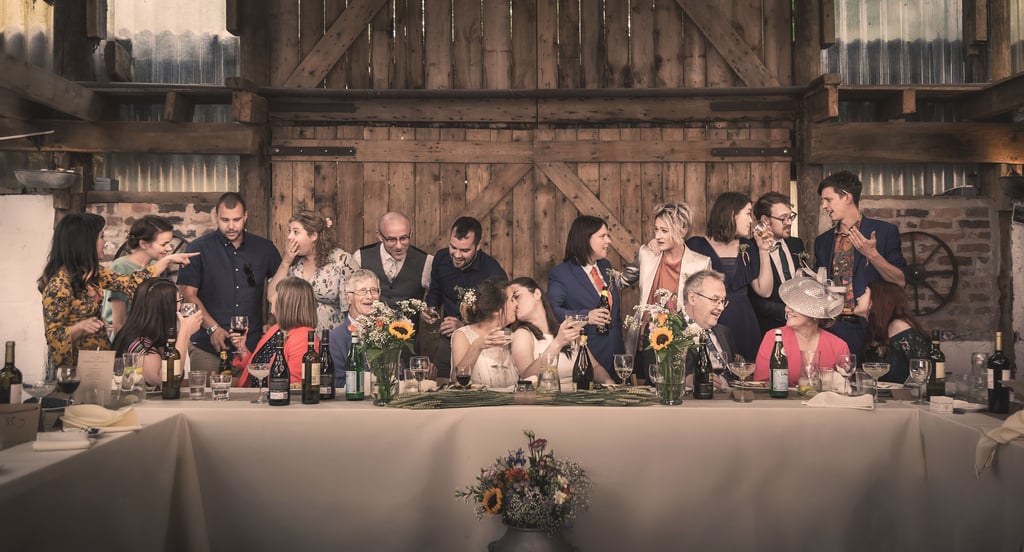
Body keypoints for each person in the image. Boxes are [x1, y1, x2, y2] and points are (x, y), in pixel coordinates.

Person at [38, 213, 197, 369]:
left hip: (100, 360)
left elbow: (130, 282)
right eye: (101, 236)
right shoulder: (59, 285)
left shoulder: (94, 273)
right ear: (85, 242)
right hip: (76, 367)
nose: (105, 242)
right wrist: (79, 327)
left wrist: (167, 260)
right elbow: (54, 338)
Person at [177, 192, 282, 373]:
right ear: (215, 216)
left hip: (252, 345)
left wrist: (272, 321)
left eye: (237, 220)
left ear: (246, 216)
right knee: (205, 399)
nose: (231, 226)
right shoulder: (197, 249)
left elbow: (283, 290)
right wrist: (213, 329)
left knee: (251, 398)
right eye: (225, 220)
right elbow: (188, 295)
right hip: (207, 347)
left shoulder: (264, 249)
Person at [814, 170, 907, 357]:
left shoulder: (884, 232)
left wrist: (872, 255)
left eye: (828, 199)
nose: (824, 206)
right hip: (832, 328)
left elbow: (900, 281)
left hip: (871, 329)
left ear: (847, 197)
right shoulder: (822, 241)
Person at [621, 202, 711, 380]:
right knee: (654, 393)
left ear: (683, 229)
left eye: (664, 231)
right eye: (656, 230)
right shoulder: (647, 254)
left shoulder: (701, 263)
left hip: (684, 340)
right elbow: (623, 280)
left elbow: (704, 307)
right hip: (649, 338)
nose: (658, 236)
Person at [686, 192, 774, 361]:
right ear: (732, 213)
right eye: (748, 214)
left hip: (745, 323)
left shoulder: (748, 246)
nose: (751, 221)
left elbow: (765, 290)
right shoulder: (695, 245)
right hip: (710, 322)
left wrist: (763, 251)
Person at [425, 216, 507, 377]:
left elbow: (501, 317)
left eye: (464, 250)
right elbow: (435, 291)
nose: (456, 255)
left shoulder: (493, 272)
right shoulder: (441, 258)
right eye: (453, 247)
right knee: (444, 385)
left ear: (478, 246)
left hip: (482, 345)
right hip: (446, 341)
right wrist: (430, 308)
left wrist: (463, 325)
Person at [547, 215, 624, 380]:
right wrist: (586, 317)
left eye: (608, 235)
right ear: (585, 239)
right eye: (602, 236)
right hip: (589, 356)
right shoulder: (561, 274)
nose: (608, 241)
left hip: (616, 355)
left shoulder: (605, 266)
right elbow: (553, 312)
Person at [752, 269, 850, 386]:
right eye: (788, 304)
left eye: (796, 305)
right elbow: (761, 385)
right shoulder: (773, 338)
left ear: (814, 314)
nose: (787, 309)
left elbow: (844, 389)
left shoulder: (838, 347)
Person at [268, 210, 352, 331]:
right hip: (297, 337)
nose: (289, 237)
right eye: (289, 231)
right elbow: (272, 296)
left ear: (313, 236)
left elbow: (352, 306)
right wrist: (286, 262)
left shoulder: (341, 261)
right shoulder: (294, 264)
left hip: (330, 339)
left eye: (296, 232)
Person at [112, 278, 203, 386]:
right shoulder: (139, 344)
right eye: (179, 301)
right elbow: (165, 380)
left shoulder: (156, 337)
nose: (180, 306)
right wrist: (185, 332)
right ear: (165, 307)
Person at [230, 277, 318, 387]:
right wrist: (242, 348)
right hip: (255, 397)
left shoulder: (303, 337)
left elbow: (293, 385)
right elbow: (259, 367)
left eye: (276, 293)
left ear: (287, 302)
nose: (271, 298)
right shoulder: (276, 329)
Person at [102, 215, 175, 338]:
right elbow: (119, 321)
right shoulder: (120, 266)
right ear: (143, 244)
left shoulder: (155, 265)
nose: (169, 248)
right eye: (164, 244)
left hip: (150, 337)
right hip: (127, 338)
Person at [508, 277, 583, 388]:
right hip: (546, 400)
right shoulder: (523, 334)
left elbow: (595, 367)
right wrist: (557, 343)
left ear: (537, 294)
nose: (515, 304)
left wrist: (609, 383)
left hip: (580, 398)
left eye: (517, 296)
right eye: (511, 300)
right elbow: (527, 376)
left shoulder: (565, 329)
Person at [350, 211, 433, 308]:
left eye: (404, 238)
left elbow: (437, 295)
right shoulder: (360, 257)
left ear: (411, 233)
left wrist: (430, 309)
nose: (399, 246)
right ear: (380, 236)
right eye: (391, 240)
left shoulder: (426, 262)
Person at [749, 192, 806, 334]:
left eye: (790, 216)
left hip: (803, 324)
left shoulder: (796, 244)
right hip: (770, 327)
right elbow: (753, 298)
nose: (789, 222)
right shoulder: (751, 250)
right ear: (765, 220)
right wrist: (784, 312)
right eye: (783, 218)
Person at [855, 279, 929, 384]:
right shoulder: (874, 330)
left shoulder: (900, 326)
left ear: (876, 299)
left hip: (904, 397)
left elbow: (921, 374)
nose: (858, 298)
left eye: (865, 293)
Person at [450, 277, 519, 389]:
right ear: (496, 310)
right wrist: (476, 347)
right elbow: (456, 380)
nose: (517, 304)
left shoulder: (511, 336)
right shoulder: (463, 335)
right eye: (512, 300)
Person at [679, 270, 738, 388]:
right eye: (715, 300)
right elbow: (656, 375)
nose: (721, 307)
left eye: (723, 301)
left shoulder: (725, 332)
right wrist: (687, 380)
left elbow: (734, 377)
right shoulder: (664, 331)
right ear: (692, 298)